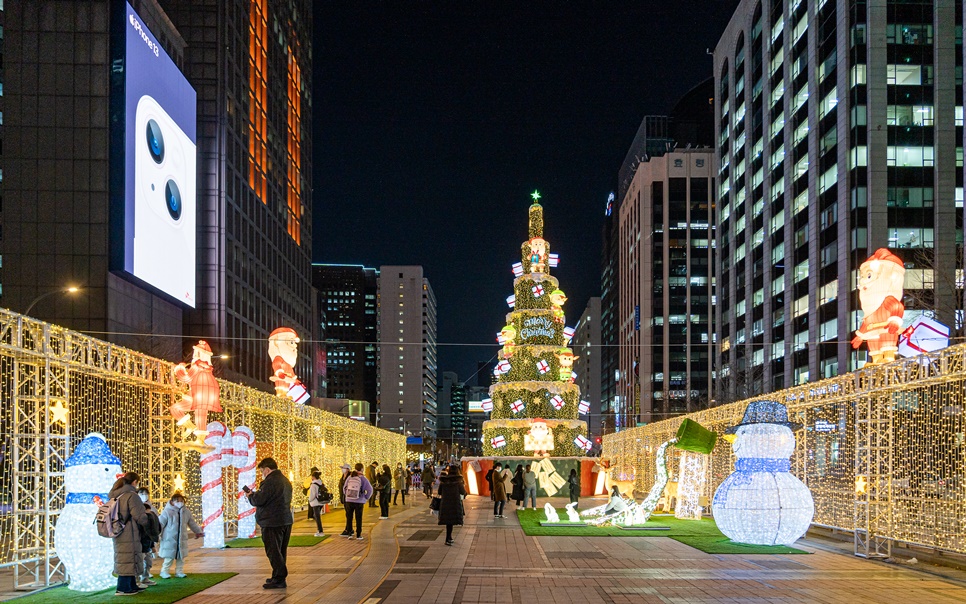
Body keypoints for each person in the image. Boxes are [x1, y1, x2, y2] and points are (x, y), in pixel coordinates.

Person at [246, 458, 294, 589]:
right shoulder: (285, 480)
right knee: (280, 551)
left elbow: (260, 500)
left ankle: (279, 578)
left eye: (262, 471)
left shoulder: (270, 482)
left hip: (272, 522)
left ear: (267, 469)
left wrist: (251, 496)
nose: (262, 474)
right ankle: (278, 576)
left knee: (273, 551)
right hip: (285, 520)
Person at [109, 472, 150, 595]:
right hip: (129, 531)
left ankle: (131, 585)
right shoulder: (131, 495)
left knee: (125, 557)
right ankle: (123, 588)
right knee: (129, 557)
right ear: (134, 482)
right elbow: (139, 516)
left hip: (117, 529)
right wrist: (147, 520)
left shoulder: (116, 494)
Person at [158, 492, 204, 579]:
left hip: (181, 538)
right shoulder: (167, 512)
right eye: (177, 501)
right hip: (169, 538)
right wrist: (156, 534)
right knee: (169, 557)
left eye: (181, 501)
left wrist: (198, 531)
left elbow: (192, 523)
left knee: (181, 557)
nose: (180, 502)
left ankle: (179, 571)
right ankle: (164, 571)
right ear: (172, 502)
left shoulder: (186, 512)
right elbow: (160, 524)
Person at [136, 487, 161, 587]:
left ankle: (145, 578)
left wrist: (153, 544)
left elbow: (153, 530)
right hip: (140, 543)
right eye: (142, 493)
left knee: (148, 562)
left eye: (146, 493)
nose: (144, 495)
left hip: (147, 543)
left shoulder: (152, 511)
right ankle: (137, 580)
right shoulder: (137, 510)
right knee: (139, 563)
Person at [342, 463, 374, 540]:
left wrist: (348, 495)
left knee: (349, 517)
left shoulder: (350, 477)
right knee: (358, 518)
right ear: (362, 469)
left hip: (349, 500)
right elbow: (370, 490)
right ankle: (358, 534)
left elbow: (344, 488)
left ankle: (350, 533)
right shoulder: (363, 478)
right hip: (359, 501)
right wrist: (366, 498)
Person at [438, 464, 466, 546]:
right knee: (452, 520)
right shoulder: (458, 481)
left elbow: (439, 492)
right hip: (455, 503)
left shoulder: (443, 481)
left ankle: (448, 537)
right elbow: (463, 492)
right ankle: (448, 538)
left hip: (445, 503)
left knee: (448, 521)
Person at [308, 471, 327, 537]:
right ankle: (319, 530)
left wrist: (309, 500)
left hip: (315, 502)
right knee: (316, 516)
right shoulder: (321, 483)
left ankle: (320, 531)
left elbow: (313, 495)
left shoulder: (313, 485)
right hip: (321, 502)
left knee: (317, 516)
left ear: (313, 477)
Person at [338, 464, 352, 537]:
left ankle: (348, 529)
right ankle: (349, 528)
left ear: (348, 469)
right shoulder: (342, 477)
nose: (342, 469)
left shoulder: (350, 477)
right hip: (344, 497)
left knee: (349, 514)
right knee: (348, 514)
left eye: (344, 468)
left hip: (349, 498)